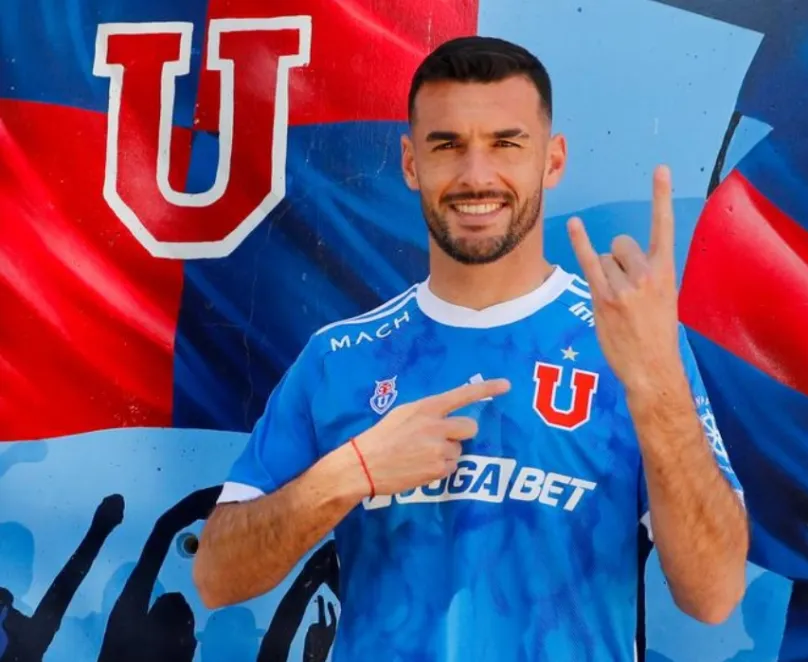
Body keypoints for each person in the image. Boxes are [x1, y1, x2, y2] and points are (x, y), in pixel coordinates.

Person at [193, 35, 749, 661]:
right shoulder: (339, 358)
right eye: (447, 145)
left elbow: (715, 595)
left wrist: (655, 388)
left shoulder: (636, 342)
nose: (476, 175)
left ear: (553, 159)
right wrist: (350, 474)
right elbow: (216, 576)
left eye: (506, 144)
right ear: (410, 163)